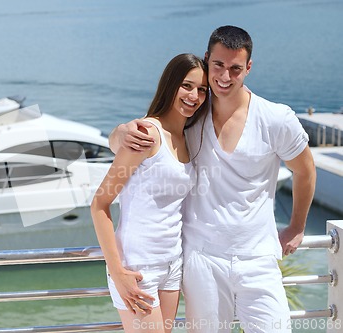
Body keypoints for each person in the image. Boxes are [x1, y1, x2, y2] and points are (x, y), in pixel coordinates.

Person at [109, 26, 316, 333]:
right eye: (218, 65)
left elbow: (306, 169)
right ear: (207, 60)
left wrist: (297, 227)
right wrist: (121, 133)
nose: (224, 76)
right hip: (201, 260)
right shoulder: (191, 113)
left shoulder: (275, 118)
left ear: (248, 68)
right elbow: (145, 138)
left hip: (258, 259)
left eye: (235, 68)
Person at [90, 53, 209, 333]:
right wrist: (118, 272)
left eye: (202, 90)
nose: (194, 95)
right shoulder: (146, 134)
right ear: (170, 85)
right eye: (187, 86)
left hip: (171, 263)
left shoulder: (186, 137)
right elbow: (100, 203)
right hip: (137, 267)